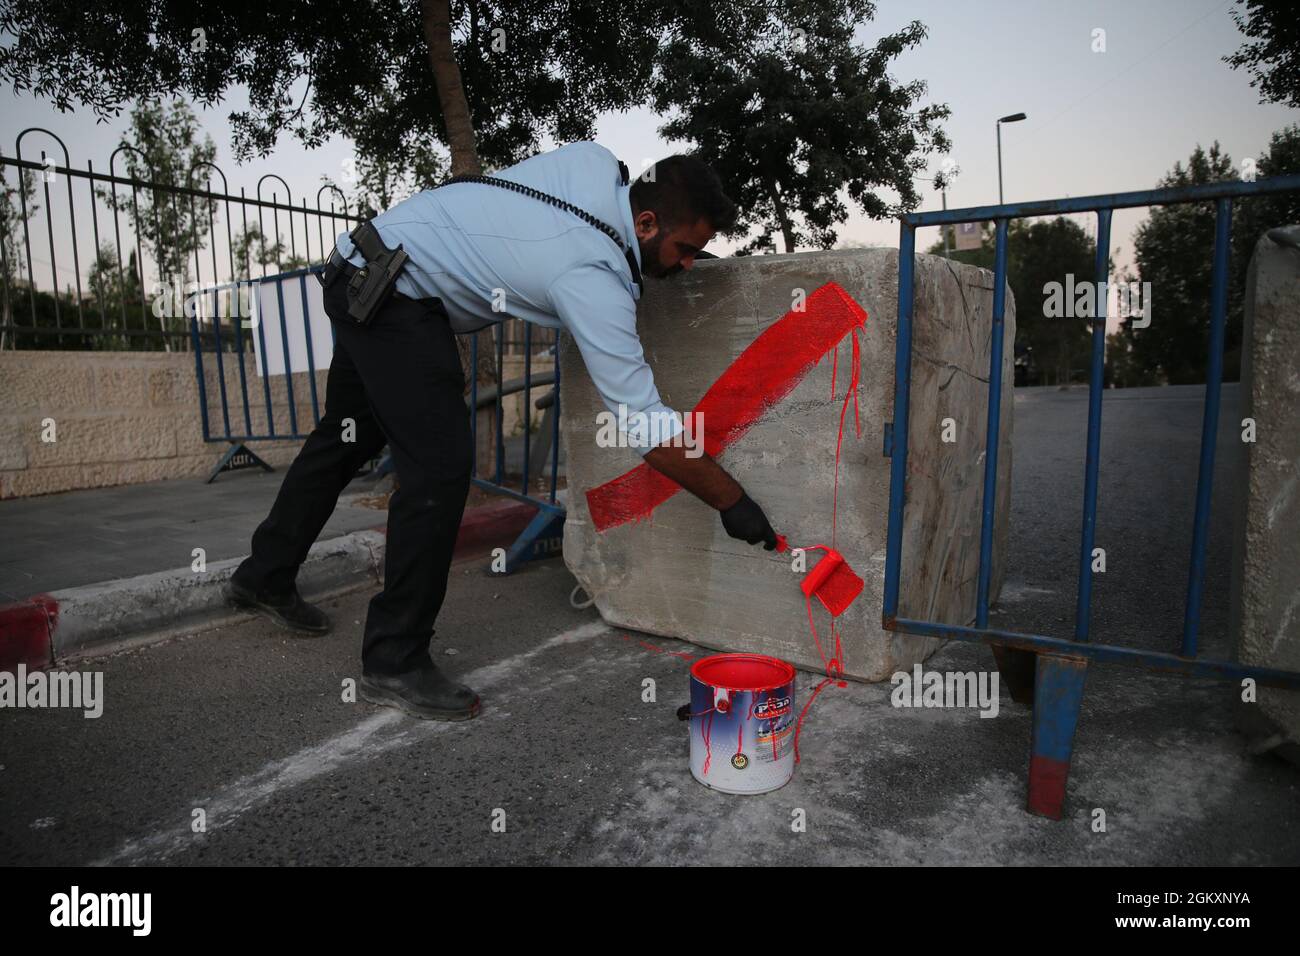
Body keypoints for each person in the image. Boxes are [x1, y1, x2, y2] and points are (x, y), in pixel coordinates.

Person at [225, 142, 778, 721]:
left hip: (362, 267)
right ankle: (394, 659)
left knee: (345, 439)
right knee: (439, 469)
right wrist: (730, 500)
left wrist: (668, 256)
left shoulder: (594, 166)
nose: (690, 263)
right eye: (686, 249)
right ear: (643, 222)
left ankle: (264, 576)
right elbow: (643, 420)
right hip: (394, 297)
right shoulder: (590, 276)